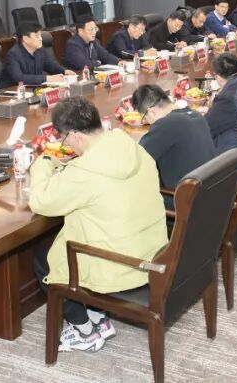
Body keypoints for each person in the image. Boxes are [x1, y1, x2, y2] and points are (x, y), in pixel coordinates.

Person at [28, 97, 167, 353]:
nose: (66, 145)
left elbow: (40, 202)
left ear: (75, 135)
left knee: (45, 259)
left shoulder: (84, 172)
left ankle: (85, 331)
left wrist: (41, 167)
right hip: (153, 251)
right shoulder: (128, 145)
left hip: (118, 267)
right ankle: (98, 317)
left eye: (64, 139)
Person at [132, 84, 216, 209]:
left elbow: (135, 159)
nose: (147, 123)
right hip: (207, 195)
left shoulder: (165, 125)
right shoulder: (196, 115)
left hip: (183, 202)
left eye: (144, 118)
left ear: (152, 112)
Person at [0, 22, 69, 88]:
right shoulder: (13, 55)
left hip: (32, 88)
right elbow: (19, 78)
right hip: (12, 91)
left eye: (40, 35)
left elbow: (51, 66)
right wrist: (47, 78)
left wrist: (65, 71)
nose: (41, 39)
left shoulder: (40, 50)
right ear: (25, 39)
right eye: (37, 36)